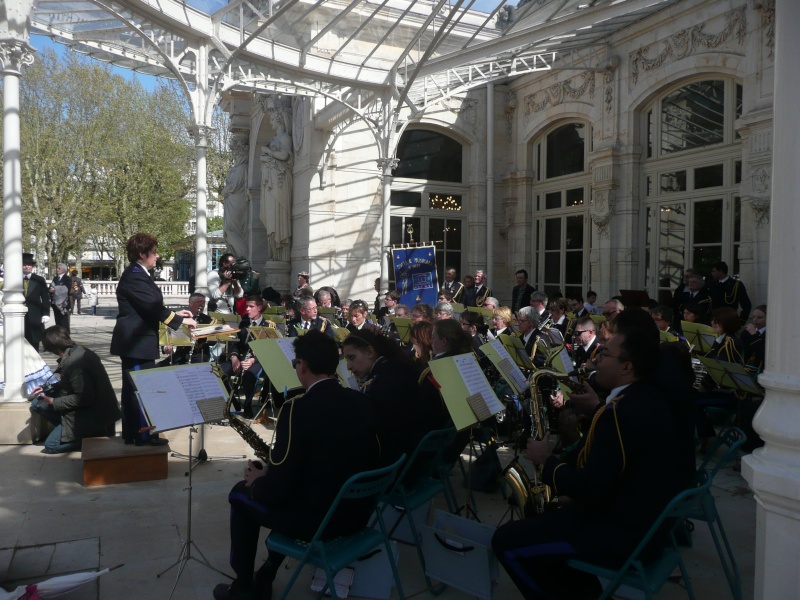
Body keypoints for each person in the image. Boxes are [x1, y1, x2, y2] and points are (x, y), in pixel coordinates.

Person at [492, 323, 693, 599]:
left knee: (505, 542)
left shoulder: (621, 413)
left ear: (627, 367)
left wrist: (546, 460)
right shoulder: (646, 397)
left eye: (605, 355)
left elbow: (589, 489)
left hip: (625, 536)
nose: (597, 359)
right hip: (646, 526)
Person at [212, 331, 381, 600]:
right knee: (292, 491)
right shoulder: (361, 400)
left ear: (301, 365)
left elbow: (277, 492)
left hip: (321, 522)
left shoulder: (297, 409)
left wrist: (258, 482)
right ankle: (267, 572)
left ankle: (243, 588)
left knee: (240, 494)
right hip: (358, 515)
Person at [110, 233, 197, 446]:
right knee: (143, 389)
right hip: (136, 343)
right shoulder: (135, 275)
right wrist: (179, 321)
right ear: (142, 254)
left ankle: (132, 433)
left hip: (137, 341)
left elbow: (151, 306)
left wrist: (178, 312)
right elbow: (150, 307)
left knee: (134, 389)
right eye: (154, 252)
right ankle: (142, 434)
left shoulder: (139, 273)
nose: (157, 256)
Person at [29, 326, 121, 454]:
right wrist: (46, 388)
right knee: (37, 404)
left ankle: (91, 437)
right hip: (92, 409)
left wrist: (52, 401)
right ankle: (69, 431)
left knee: (51, 446)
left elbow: (83, 398)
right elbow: (69, 384)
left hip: (93, 414)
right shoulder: (77, 351)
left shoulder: (75, 364)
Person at [342, 329, 427, 463]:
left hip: (395, 462)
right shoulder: (397, 364)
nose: (348, 366)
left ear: (370, 352)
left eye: (352, 357)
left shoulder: (379, 383)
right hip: (414, 455)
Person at [220, 296, 276, 418]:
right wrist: (234, 357)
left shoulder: (268, 325)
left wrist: (252, 360)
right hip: (240, 358)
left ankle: (247, 405)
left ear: (259, 308)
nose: (248, 309)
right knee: (219, 372)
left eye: (251, 307)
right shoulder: (244, 322)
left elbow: (269, 350)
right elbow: (235, 343)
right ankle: (233, 403)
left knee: (249, 376)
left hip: (258, 360)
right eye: (247, 306)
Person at [159, 293, 213, 366]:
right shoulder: (180, 318)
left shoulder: (208, 319)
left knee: (196, 368)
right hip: (181, 354)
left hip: (199, 354)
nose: (202, 305)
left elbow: (213, 342)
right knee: (159, 367)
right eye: (199, 302)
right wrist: (166, 347)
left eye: (203, 302)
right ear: (191, 303)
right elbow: (167, 332)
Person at [23, 253, 51, 351]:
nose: (27, 266)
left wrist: (46, 313)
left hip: (35, 314)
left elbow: (45, 298)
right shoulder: (14, 279)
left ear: (33, 266)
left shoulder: (39, 280)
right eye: (24, 264)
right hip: (18, 315)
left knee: (34, 340)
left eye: (29, 264)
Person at [741, 304, 767, 372]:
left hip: (760, 369)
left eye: (759, 317)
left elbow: (762, 353)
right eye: (753, 317)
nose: (755, 320)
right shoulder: (746, 333)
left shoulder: (769, 334)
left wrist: (754, 335)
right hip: (747, 367)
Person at [49, 263, 72, 333]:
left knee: (64, 321)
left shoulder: (67, 278)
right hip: (55, 303)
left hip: (64, 304)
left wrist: (55, 289)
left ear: (64, 270)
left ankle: (66, 336)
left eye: (59, 268)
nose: (57, 269)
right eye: (57, 268)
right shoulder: (55, 278)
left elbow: (67, 289)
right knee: (57, 321)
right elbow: (50, 287)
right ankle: (58, 337)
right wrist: (50, 289)